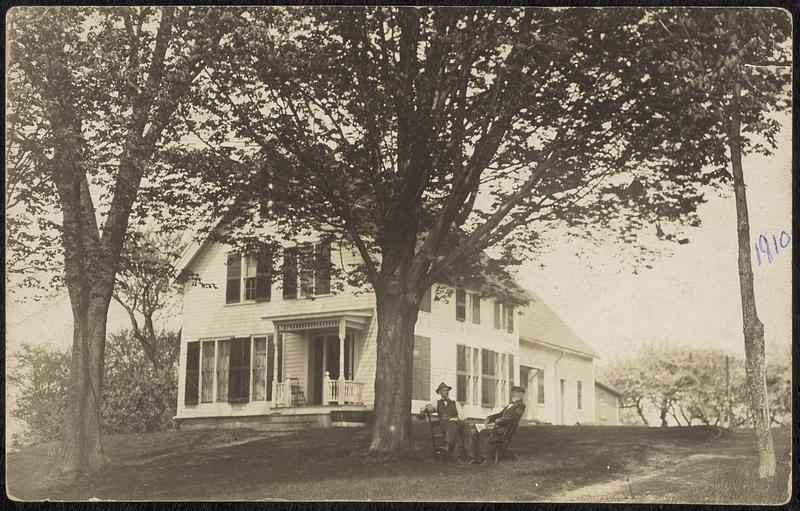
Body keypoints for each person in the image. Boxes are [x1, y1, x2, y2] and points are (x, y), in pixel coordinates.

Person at [466, 385, 526, 464]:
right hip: (497, 427)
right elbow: (499, 414)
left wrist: (500, 420)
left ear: (521, 395)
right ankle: (473, 458)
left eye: (516, 393)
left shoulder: (520, 406)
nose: (513, 395)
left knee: (483, 432)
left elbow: (512, 419)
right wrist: (489, 418)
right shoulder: (510, 405)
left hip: (504, 430)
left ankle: (485, 458)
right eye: (513, 393)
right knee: (473, 431)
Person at [433, 382, 466, 460]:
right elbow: (427, 407)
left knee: (453, 425)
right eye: (444, 390)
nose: (446, 392)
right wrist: (423, 409)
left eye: (447, 390)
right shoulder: (436, 403)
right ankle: (456, 457)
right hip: (445, 427)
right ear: (439, 392)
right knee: (457, 432)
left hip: (455, 424)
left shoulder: (455, 403)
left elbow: (463, 416)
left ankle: (447, 445)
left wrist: (456, 419)